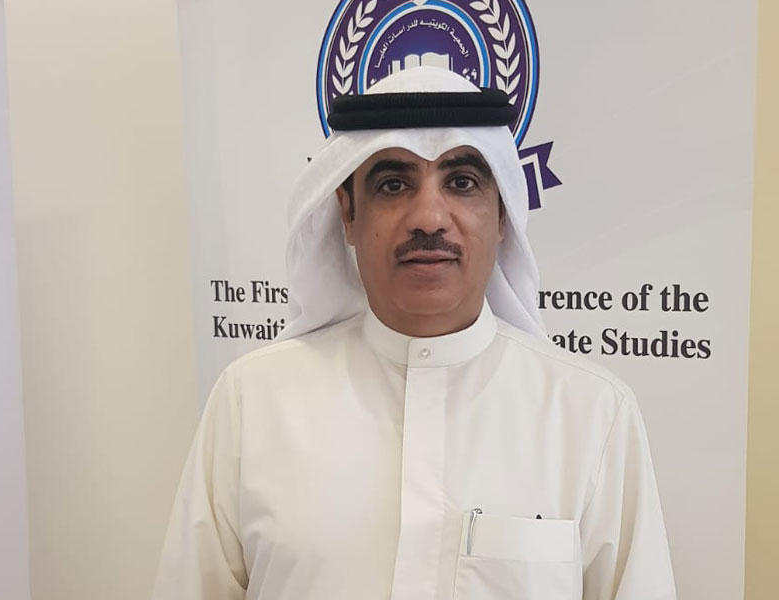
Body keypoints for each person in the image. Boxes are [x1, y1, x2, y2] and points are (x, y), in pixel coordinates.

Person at [152, 67, 676, 600]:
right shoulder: (252, 401)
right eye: (393, 185)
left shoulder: (592, 415)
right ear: (348, 214)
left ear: (502, 215)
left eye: (462, 182)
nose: (428, 217)